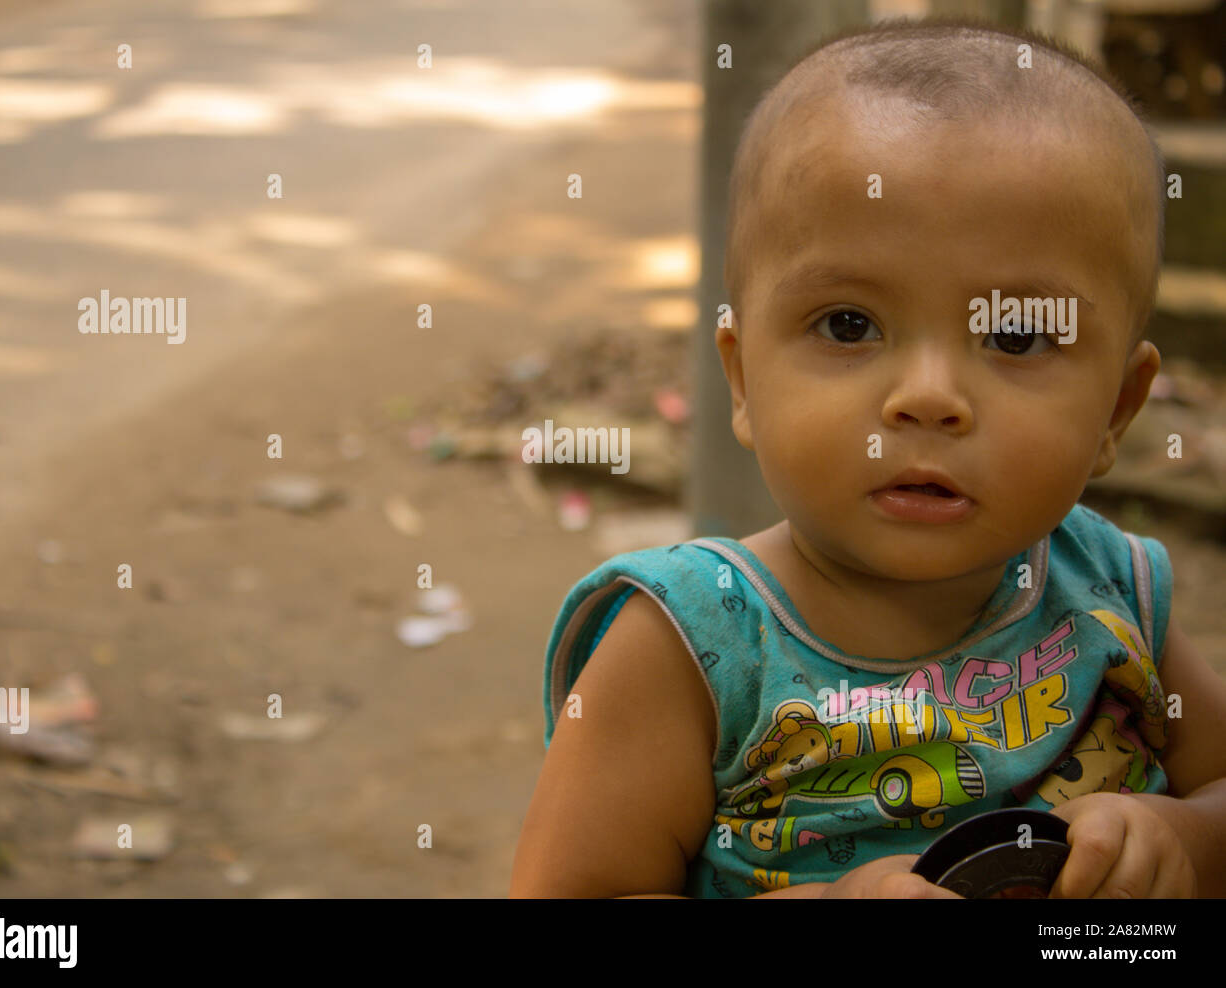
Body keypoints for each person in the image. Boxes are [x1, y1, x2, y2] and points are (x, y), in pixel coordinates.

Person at [509, 17, 1226, 899]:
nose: (928, 397)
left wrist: (1182, 836)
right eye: (848, 325)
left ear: (1117, 407)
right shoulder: (693, 650)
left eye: (1015, 334)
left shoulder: (1108, 589)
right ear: (742, 380)